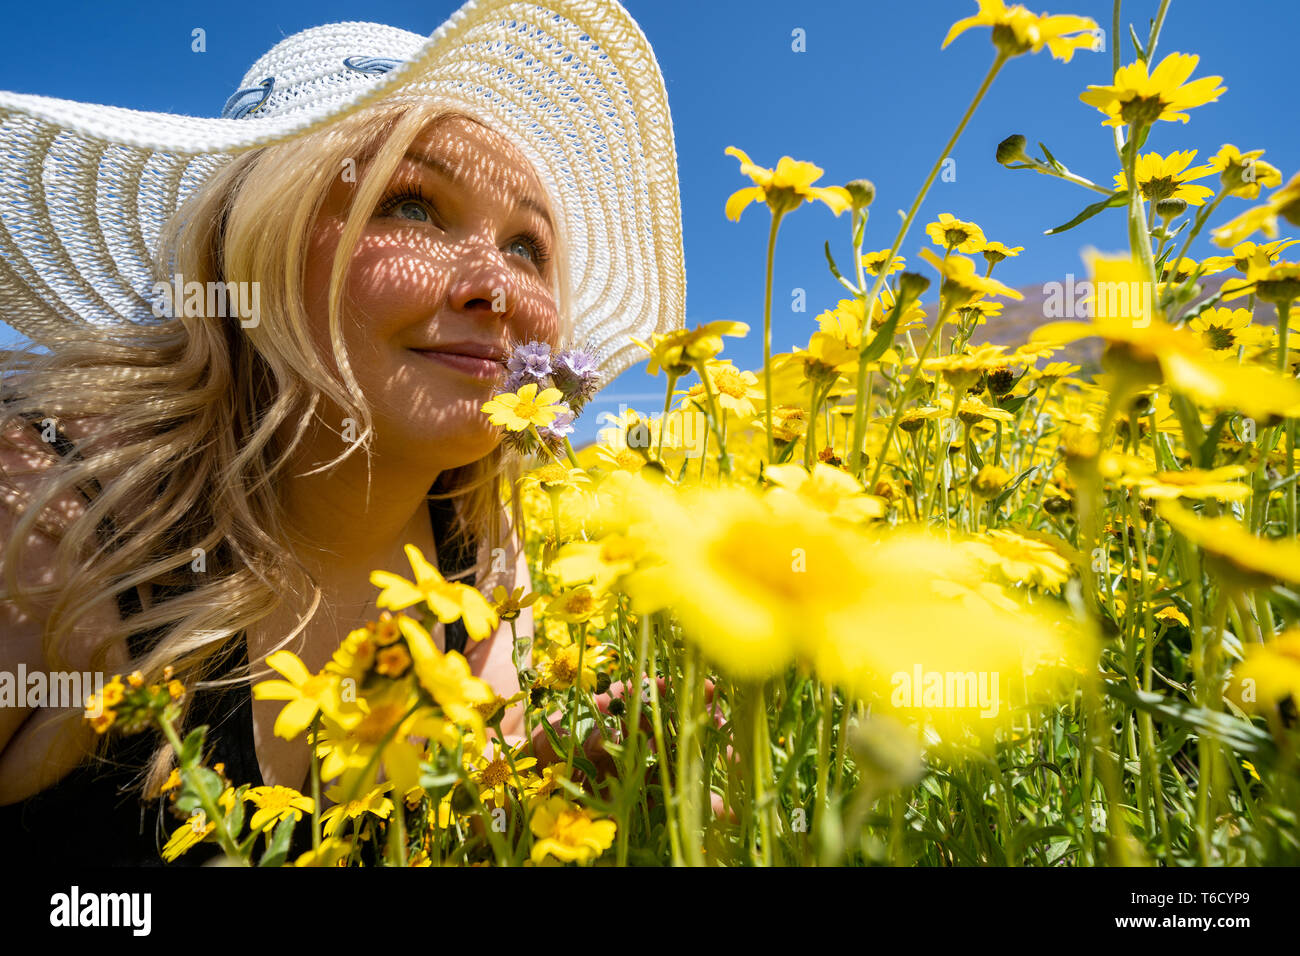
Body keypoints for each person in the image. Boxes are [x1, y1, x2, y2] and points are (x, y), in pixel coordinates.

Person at [0, 6, 685, 865]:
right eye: (411, 206)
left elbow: (461, 817)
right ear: (249, 250)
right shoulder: (51, 511)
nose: (496, 290)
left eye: (527, 248)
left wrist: (564, 774)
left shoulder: (480, 541)